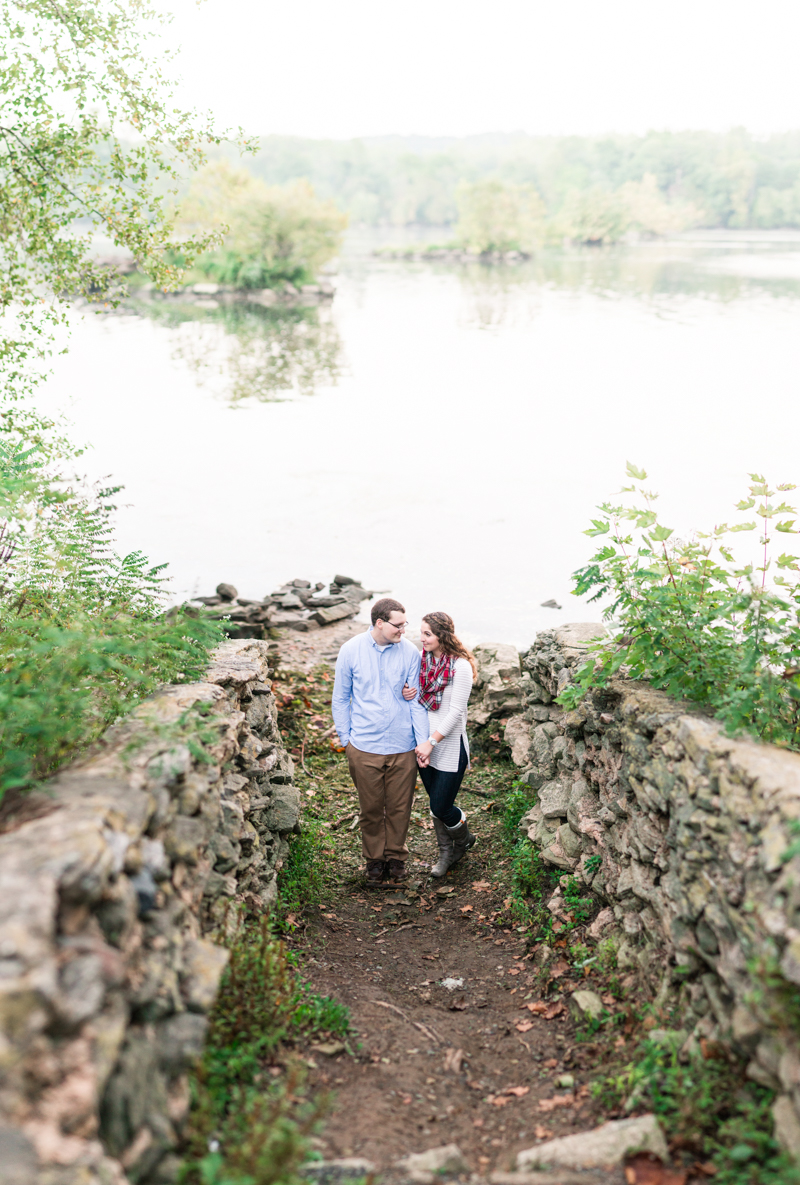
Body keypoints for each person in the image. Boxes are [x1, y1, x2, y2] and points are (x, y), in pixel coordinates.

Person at [332, 598, 428, 887]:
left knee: (400, 807)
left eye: (404, 624)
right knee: (371, 808)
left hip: (402, 744)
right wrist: (346, 739)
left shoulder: (410, 652)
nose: (403, 630)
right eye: (398, 625)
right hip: (363, 745)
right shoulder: (350, 650)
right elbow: (341, 698)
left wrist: (421, 742)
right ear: (379, 623)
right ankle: (374, 860)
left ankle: (396, 857)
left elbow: (417, 701)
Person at [403, 612, 477, 877]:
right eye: (421, 633)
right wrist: (407, 692)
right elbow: (415, 697)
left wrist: (431, 743)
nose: (421, 639)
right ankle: (447, 853)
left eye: (428, 634)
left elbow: (456, 712)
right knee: (435, 802)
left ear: (442, 635)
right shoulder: (421, 661)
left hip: (447, 744)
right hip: (423, 742)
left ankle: (463, 840)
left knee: (441, 806)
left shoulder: (461, 667)